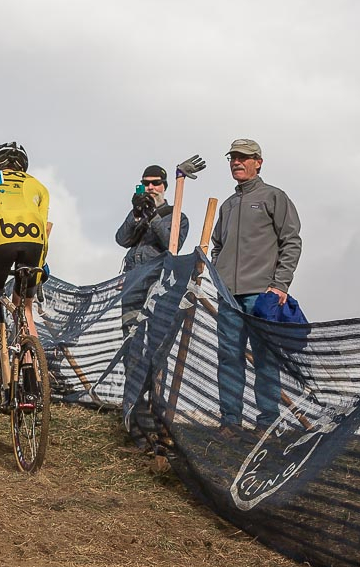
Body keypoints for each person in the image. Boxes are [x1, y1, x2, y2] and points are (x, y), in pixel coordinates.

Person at [210, 138, 302, 438]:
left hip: (262, 296)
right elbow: (217, 246)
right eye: (233, 158)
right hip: (229, 298)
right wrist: (219, 277)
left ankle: (267, 424)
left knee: (266, 359)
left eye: (244, 157)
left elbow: (292, 241)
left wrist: (279, 285)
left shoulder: (274, 197)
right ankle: (230, 422)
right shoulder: (227, 205)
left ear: (258, 161)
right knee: (228, 357)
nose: (237, 162)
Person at [114, 165, 188, 452]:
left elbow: (173, 244)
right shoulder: (140, 215)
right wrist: (136, 215)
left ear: (165, 186)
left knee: (156, 356)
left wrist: (156, 213)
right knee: (132, 352)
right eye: (145, 183)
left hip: (160, 292)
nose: (150, 187)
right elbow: (121, 240)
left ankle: (159, 424)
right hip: (132, 290)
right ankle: (135, 426)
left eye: (156, 183)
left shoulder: (177, 215)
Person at [0, 141, 49, 410]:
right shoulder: (38, 185)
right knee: (25, 308)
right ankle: (31, 383)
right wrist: (43, 264)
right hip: (34, 242)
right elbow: (43, 225)